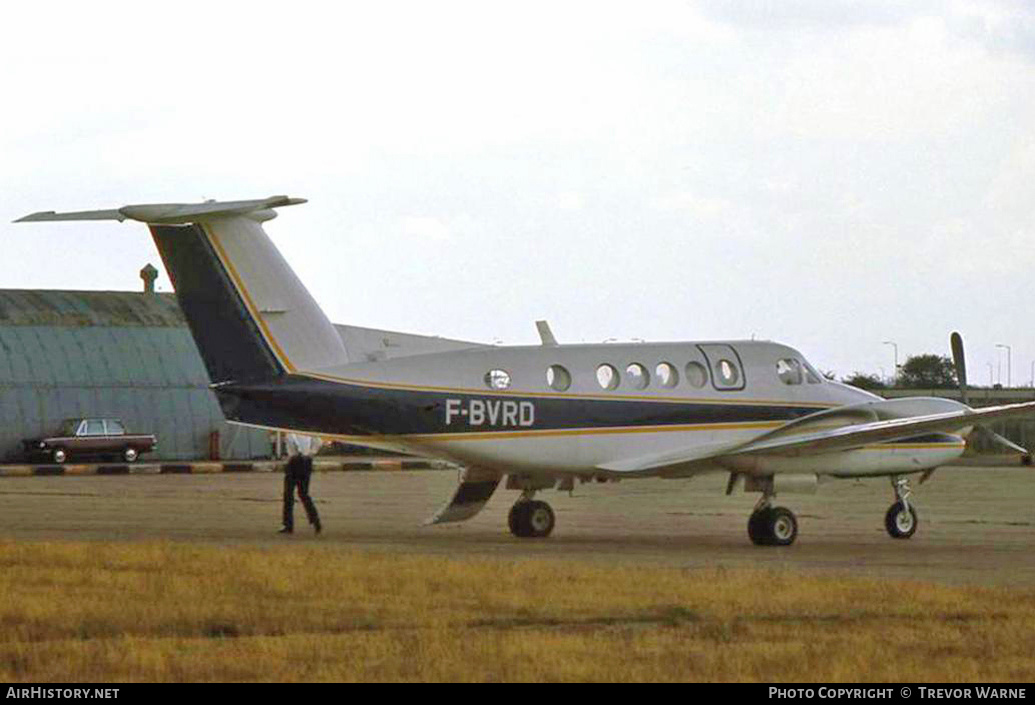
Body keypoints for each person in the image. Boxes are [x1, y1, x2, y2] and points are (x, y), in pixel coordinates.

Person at [279, 434, 322, 534]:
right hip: (303, 461)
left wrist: (310, 453)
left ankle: (289, 524)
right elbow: (318, 441)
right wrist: (311, 453)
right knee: (299, 493)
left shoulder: (292, 433)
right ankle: (315, 521)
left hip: (297, 461)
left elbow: (318, 441)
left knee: (292, 494)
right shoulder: (302, 432)